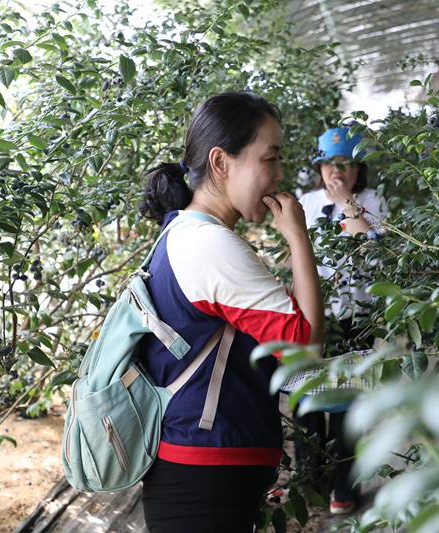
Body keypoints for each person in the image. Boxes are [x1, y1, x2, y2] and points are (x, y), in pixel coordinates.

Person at [136, 91, 324, 533]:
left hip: (202, 468)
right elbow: (305, 352)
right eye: (270, 159)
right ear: (221, 163)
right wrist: (299, 239)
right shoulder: (210, 244)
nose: (279, 176)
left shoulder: (185, 231)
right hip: (204, 478)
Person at [294, 126, 388, 515]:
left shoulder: (373, 201)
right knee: (308, 403)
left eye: (348, 164)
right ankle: (309, 481)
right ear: (321, 165)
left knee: (348, 406)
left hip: (355, 319)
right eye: (333, 163)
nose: (339, 171)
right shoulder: (307, 201)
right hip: (314, 316)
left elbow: (376, 257)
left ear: (358, 168)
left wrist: (348, 203)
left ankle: (343, 489)